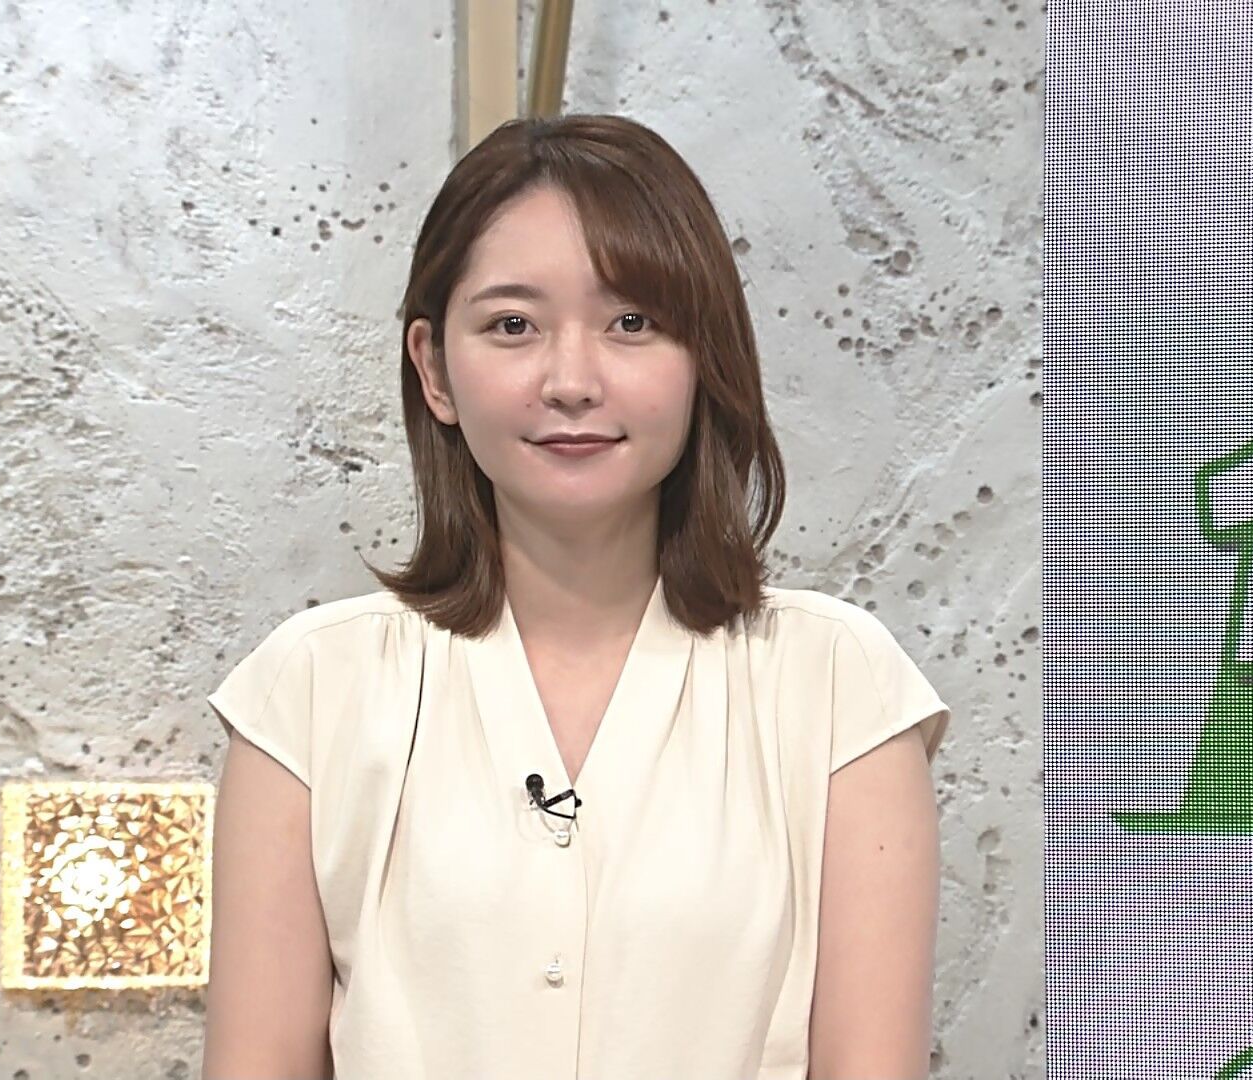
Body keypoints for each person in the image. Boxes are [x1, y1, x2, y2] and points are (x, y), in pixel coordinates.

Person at [201, 113, 951, 1080]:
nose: (571, 381)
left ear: (704, 357)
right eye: (512, 325)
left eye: (632, 322)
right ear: (434, 370)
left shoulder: (842, 687)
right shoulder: (309, 690)